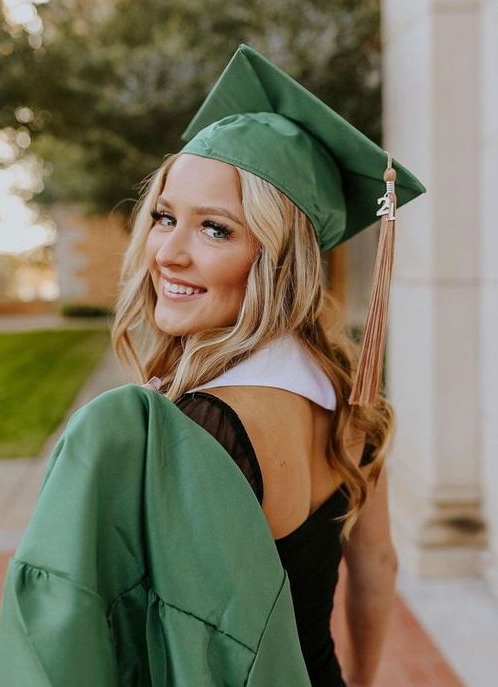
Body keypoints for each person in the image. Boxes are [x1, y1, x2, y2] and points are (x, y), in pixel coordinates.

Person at [113, 43, 425, 686]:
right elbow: (377, 566)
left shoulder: (202, 425)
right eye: (165, 217)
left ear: (282, 259)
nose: (167, 251)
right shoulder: (349, 400)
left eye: (216, 229)